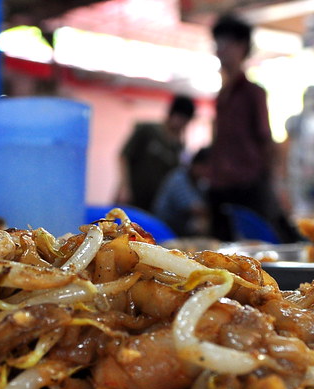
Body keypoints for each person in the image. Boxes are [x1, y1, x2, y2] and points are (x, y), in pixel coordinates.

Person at [206, 14, 295, 242]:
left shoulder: (253, 93)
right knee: (219, 253)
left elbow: (266, 140)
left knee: (257, 248)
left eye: (226, 44)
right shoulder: (221, 97)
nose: (220, 50)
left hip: (249, 188)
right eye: (218, 44)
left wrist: (274, 184)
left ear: (242, 47)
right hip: (220, 188)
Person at [116, 94, 196, 211]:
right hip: (131, 195)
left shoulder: (178, 147)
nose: (181, 123)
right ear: (171, 114)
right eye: (179, 117)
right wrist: (124, 187)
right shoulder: (148, 130)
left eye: (185, 120)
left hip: (153, 203)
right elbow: (124, 156)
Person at [152, 147, 210, 237]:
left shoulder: (199, 182)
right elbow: (195, 208)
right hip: (165, 229)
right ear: (197, 164)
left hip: (180, 229)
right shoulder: (179, 177)